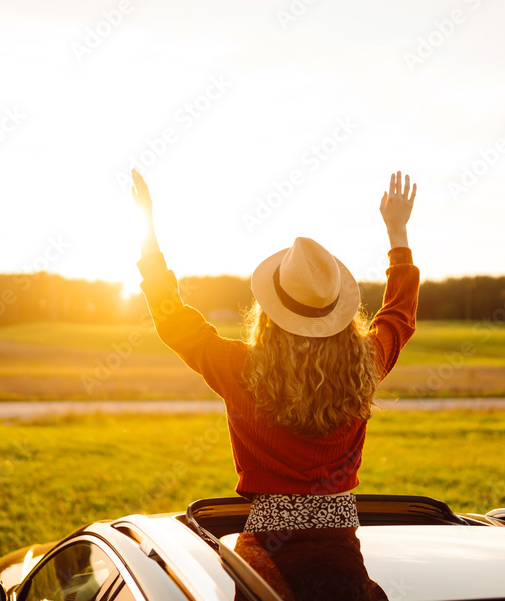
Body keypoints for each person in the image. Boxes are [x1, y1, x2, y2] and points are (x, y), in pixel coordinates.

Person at [132, 168, 418, 532]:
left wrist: (147, 228)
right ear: (338, 311)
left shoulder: (240, 368)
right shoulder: (364, 365)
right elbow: (399, 314)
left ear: (270, 312)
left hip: (268, 529)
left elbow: (174, 321)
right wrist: (397, 231)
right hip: (343, 524)